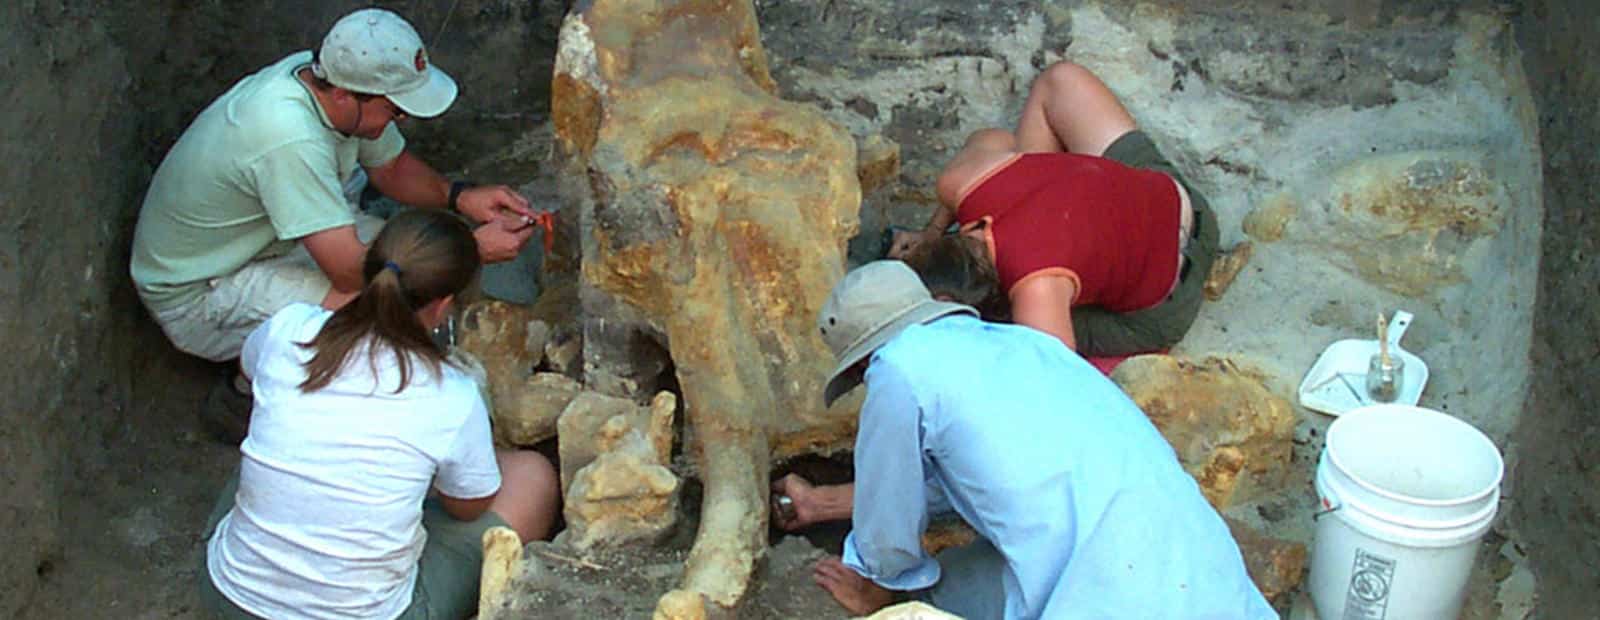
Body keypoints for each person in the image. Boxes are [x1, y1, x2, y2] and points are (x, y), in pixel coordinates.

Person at [774, 260, 1273, 619]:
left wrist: (877, 586)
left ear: (863, 359)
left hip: (1107, 589)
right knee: (963, 574)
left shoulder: (898, 372)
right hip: (1196, 557)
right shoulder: (1022, 345)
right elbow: (968, 477)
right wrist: (822, 504)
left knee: (924, 596)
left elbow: (890, 517)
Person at [130, 8, 542, 437]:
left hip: (261, 242)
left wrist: (460, 197)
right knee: (390, 301)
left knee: (410, 259)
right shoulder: (289, 136)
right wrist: (471, 250)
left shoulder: (325, 80)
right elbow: (349, 272)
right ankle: (246, 395)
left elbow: (391, 168)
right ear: (347, 95)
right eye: (396, 111)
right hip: (201, 290)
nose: (401, 120)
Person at [198, 209, 560, 619]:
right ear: (442, 308)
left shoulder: (291, 327)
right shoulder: (451, 395)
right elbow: (469, 507)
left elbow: (250, 369)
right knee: (533, 477)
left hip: (230, 599)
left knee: (274, 438)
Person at [890, 61, 1219, 358]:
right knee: (1059, 80)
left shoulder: (1037, 286)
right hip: (1176, 199)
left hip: (1168, 299)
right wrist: (931, 232)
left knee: (1012, 336)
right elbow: (994, 138)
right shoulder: (961, 182)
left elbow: (1056, 381)